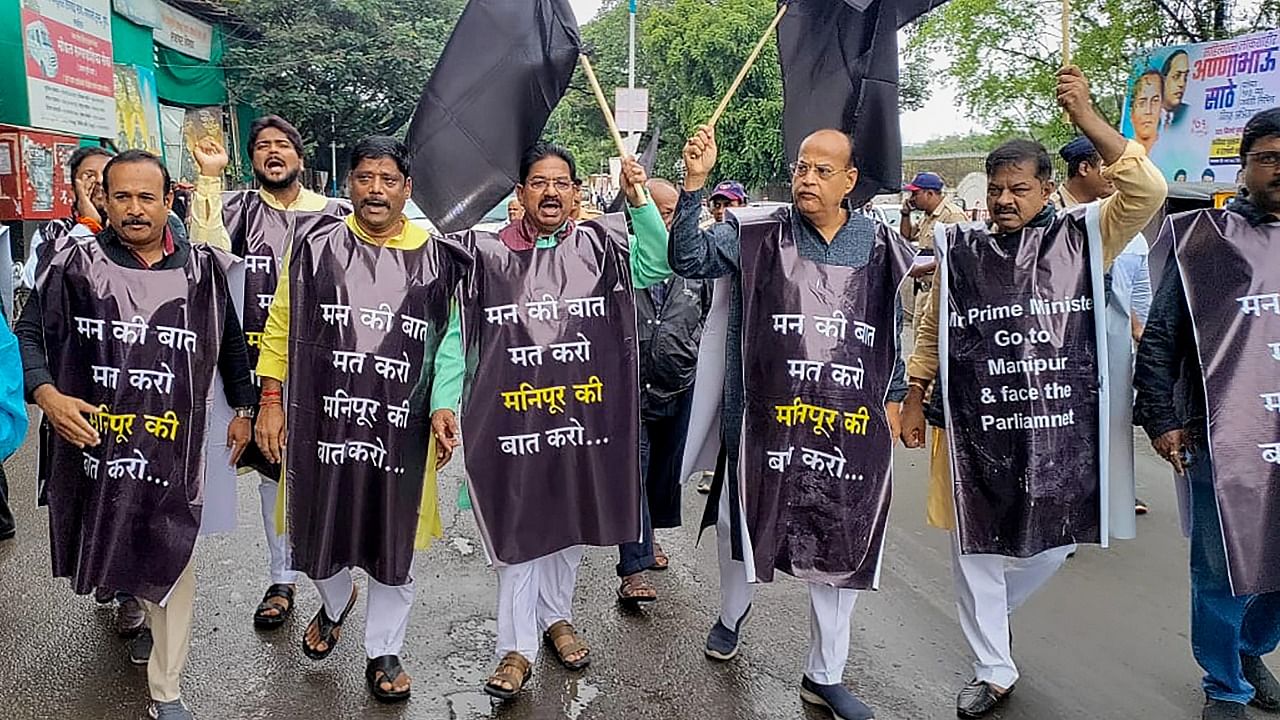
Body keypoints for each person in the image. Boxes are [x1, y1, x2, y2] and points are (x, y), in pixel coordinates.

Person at [898, 67, 1166, 719]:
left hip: (1055, 430)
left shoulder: (1083, 236)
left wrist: (1089, 122)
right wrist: (914, 391)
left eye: (1019, 188)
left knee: (1054, 542)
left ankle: (994, 614)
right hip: (972, 431)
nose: (1004, 200)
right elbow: (934, 322)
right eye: (996, 190)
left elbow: (1147, 188)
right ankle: (993, 668)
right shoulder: (962, 248)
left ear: (1048, 190)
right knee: (976, 548)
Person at [672, 123, 911, 720]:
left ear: (850, 181)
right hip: (759, 421)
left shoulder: (880, 246)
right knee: (741, 525)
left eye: (822, 170)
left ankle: (824, 675)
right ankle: (731, 615)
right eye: (802, 167)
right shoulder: (755, 232)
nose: (806, 178)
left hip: (845, 428)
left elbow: (887, 328)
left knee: (839, 538)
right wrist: (695, 184)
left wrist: (900, 393)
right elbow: (688, 257)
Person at [16, 149, 256, 720]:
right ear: (102, 198)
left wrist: (246, 406)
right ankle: (130, 597)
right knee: (116, 541)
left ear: (167, 200)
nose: (134, 209)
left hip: (174, 444)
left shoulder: (202, 271)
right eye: (120, 196)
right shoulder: (73, 266)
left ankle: (166, 689)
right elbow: (29, 334)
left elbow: (231, 345)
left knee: (173, 548)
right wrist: (46, 394)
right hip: (97, 445)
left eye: (147, 197)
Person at [430, 142, 670, 701]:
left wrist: (639, 202)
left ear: (576, 192)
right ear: (521, 194)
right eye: (539, 182)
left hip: (580, 418)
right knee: (517, 529)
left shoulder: (601, 247)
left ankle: (556, 619)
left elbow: (656, 263)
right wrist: (444, 400)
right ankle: (514, 649)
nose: (551, 192)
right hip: (510, 424)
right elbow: (455, 336)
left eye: (561, 182)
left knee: (568, 524)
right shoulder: (485, 257)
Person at [254, 136, 467, 703]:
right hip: (321, 423)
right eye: (365, 178)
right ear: (348, 183)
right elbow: (282, 323)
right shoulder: (316, 245)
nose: (376, 191)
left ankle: (383, 650)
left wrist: (445, 403)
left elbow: (449, 343)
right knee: (311, 524)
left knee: (391, 539)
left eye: (388, 180)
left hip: (400, 426)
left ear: (407, 189)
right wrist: (270, 402)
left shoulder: (435, 256)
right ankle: (334, 600)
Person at [1134, 108, 1280, 720]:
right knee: (1223, 570)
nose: (1279, 169)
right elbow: (1162, 335)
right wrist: (1162, 418)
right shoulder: (1208, 243)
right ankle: (1225, 686)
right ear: (1243, 167)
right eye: (1268, 156)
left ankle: (1251, 649)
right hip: (1225, 439)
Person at [189, 115, 350, 634]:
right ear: (252, 159)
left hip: (329, 368)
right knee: (271, 474)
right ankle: (282, 577)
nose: (273, 153)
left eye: (283, 145)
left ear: (300, 157)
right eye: (263, 146)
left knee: (327, 474)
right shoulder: (237, 209)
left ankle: (333, 573)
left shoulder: (334, 215)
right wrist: (210, 178)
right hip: (262, 367)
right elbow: (206, 256)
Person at [615, 167, 712, 605]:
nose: (665, 221)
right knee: (631, 472)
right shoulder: (620, 259)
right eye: (654, 211)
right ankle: (633, 567)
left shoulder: (698, 265)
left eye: (671, 212)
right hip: (627, 390)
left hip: (678, 386)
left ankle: (649, 535)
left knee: (661, 474)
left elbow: (710, 320)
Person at [1055, 135, 1153, 518]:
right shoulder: (1048, 220)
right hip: (1060, 344)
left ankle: (1112, 493)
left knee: (1112, 418)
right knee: (1064, 420)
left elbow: (1137, 292)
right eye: (1108, 165)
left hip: (1113, 345)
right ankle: (1065, 500)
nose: (1115, 176)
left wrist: (1143, 334)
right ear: (1085, 168)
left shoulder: (1124, 220)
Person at [20, 146, 113, 290]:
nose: (100, 181)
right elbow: (34, 282)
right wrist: (87, 226)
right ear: (73, 191)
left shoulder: (132, 230)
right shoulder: (51, 232)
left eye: (107, 175)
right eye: (90, 176)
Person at [899, 171, 966, 339]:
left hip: (942, 293)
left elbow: (958, 256)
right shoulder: (927, 217)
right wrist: (905, 214)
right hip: (923, 292)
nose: (912, 198)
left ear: (929, 193)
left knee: (935, 347)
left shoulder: (952, 215)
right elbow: (906, 236)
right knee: (920, 344)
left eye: (915, 193)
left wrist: (922, 269)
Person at [1130, 68, 1164, 155]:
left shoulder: (1168, 153)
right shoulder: (1123, 154)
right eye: (1142, 103)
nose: (1148, 111)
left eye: (1155, 101)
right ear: (1132, 112)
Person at [1162, 50, 1191, 129]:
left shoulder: (1190, 113)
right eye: (1176, 76)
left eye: (1185, 78)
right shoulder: (1147, 112)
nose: (1182, 84)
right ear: (1163, 79)